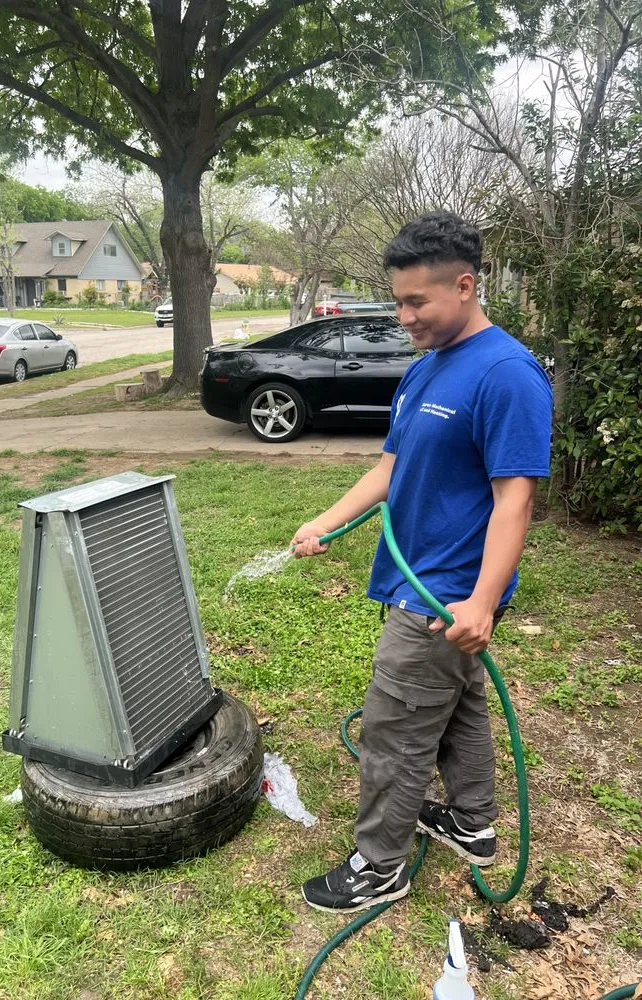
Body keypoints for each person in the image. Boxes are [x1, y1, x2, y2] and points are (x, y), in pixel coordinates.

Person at [292, 211, 552, 913]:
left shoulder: (507, 375)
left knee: (395, 733)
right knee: (462, 711)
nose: (403, 316)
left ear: (465, 286)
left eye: (417, 302)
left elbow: (513, 501)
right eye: (397, 300)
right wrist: (326, 520)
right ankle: (472, 823)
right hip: (423, 584)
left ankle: (380, 865)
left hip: (444, 600)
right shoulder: (428, 367)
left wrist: (480, 599)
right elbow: (391, 465)